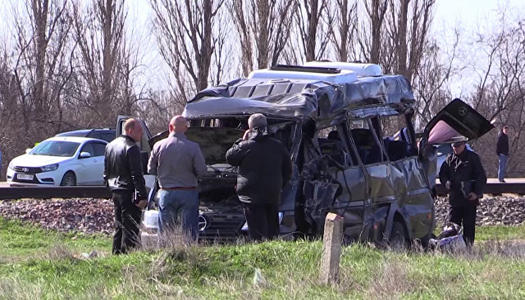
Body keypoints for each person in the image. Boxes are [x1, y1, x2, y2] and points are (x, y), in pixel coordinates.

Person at [225, 113, 292, 241]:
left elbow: (230, 157)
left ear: (250, 128)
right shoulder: (278, 146)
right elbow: (288, 169)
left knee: (257, 231)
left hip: (251, 196)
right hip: (272, 193)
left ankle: (260, 251)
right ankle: (273, 250)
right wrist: (280, 185)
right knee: (272, 229)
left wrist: (241, 140)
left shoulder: (245, 146)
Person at [147, 115, 207, 242]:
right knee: (189, 232)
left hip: (166, 192)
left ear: (170, 127)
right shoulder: (193, 147)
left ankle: (166, 256)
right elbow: (202, 171)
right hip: (188, 192)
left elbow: (150, 169)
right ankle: (189, 256)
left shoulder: (158, 146)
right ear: (186, 129)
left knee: (165, 232)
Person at [104, 118, 148, 254]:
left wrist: (107, 188)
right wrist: (142, 195)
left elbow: (106, 172)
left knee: (119, 225)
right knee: (130, 227)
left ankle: (116, 253)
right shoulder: (132, 147)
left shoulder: (110, 146)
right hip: (128, 191)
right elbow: (136, 174)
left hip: (115, 190)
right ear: (130, 130)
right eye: (139, 131)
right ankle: (127, 254)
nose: (142, 134)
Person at [439, 139, 487, 248]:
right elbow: (443, 174)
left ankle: (468, 248)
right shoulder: (449, 159)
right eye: (454, 146)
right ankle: (451, 247)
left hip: (469, 198)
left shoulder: (472, 158)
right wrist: (446, 182)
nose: (455, 148)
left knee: (469, 227)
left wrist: (476, 193)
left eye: (458, 146)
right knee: (452, 226)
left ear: (464, 145)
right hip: (455, 199)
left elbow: (481, 177)